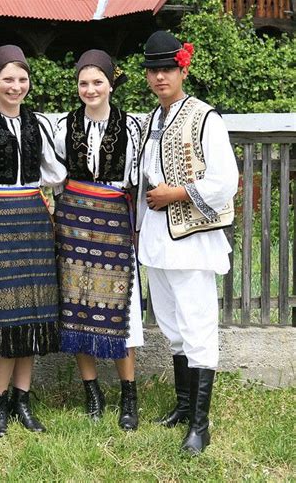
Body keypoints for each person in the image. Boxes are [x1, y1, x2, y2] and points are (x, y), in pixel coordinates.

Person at [136, 31, 239, 454]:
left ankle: (200, 424)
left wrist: (175, 193)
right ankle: (183, 406)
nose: (160, 76)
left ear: (183, 69)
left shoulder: (204, 118)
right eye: (153, 70)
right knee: (172, 326)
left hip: (193, 241)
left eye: (168, 69)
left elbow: (225, 183)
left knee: (198, 327)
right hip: (158, 240)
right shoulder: (150, 121)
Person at [0, 45, 67, 438]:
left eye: (22, 79)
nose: (16, 86)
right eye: (8, 78)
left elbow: (56, 171)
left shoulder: (37, 123)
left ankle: (23, 400)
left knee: (33, 316)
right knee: (6, 320)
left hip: (34, 224)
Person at [54, 50, 144, 431]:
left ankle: (128, 393)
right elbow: (53, 173)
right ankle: (91, 391)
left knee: (121, 307)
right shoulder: (63, 126)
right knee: (76, 304)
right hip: (73, 220)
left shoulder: (132, 127)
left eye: (97, 82)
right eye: (83, 83)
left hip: (113, 219)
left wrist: (136, 228)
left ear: (111, 83)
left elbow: (138, 183)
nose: (90, 89)